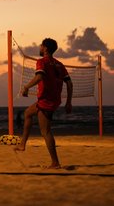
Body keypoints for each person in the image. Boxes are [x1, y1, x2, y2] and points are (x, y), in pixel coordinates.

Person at [15, 38, 73, 168]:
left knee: (45, 132)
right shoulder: (59, 64)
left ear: (45, 48)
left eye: (41, 45)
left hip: (46, 101)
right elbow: (69, 83)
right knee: (28, 113)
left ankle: (55, 162)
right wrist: (68, 102)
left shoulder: (42, 62)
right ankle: (22, 144)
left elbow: (39, 76)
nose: (40, 47)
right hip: (53, 100)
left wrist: (26, 87)